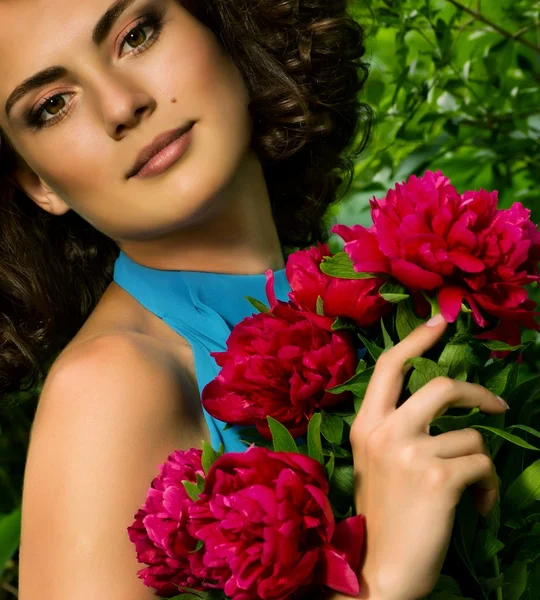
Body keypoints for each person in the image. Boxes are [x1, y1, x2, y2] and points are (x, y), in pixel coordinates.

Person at [0, 0, 507, 598]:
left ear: (225, 31)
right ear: (39, 184)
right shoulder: (110, 385)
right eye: (52, 105)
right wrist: (382, 583)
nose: (122, 104)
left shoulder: (349, 291)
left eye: (136, 35)